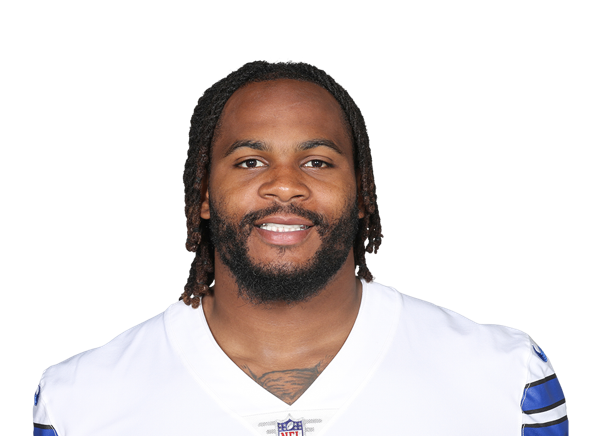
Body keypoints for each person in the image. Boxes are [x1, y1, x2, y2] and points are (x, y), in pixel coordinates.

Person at [32, 60, 568, 435]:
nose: (285, 186)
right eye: (250, 161)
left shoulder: (505, 379)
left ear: (364, 193)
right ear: (203, 194)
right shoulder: (77, 402)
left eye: (317, 162)